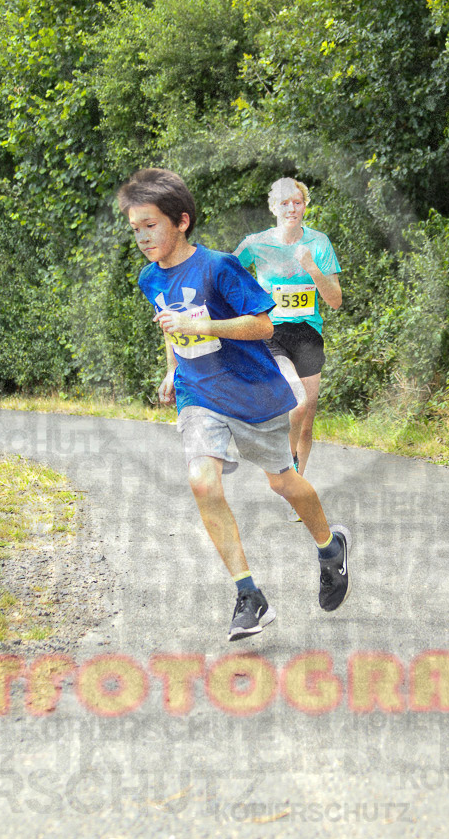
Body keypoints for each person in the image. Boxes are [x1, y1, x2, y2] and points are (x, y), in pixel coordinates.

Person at [117, 167, 351, 642]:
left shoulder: (219, 267)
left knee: (283, 482)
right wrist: (172, 368)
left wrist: (205, 327)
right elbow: (170, 322)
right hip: (199, 393)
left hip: (252, 391)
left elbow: (264, 326)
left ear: (181, 221)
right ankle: (249, 595)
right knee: (202, 482)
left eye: (151, 226)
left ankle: (330, 547)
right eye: (135, 228)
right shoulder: (148, 278)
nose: (142, 237)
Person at [234, 178, 342, 483]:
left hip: (308, 333)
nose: (291, 208)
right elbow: (226, 276)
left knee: (306, 422)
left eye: (297, 202)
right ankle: (285, 466)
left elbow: (335, 301)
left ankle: (297, 488)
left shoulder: (319, 243)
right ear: (273, 207)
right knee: (298, 402)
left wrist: (312, 267)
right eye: (284, 203)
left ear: (305, 206)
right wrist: (248, 303)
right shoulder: (256, 243)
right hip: (271, 333)